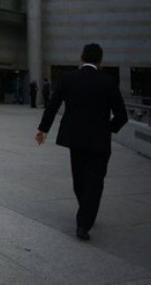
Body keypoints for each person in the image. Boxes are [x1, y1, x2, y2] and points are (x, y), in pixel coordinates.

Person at [34, 43, 127, 241]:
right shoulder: (108, 81)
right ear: (100, 60)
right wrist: (108, 128)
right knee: (95, 182)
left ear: (82, 57)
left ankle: (85, 213)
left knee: (79, 179)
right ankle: (84, 222)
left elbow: (53, 105)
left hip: (75, 139)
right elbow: (122, 116)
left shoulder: (69, 79)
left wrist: (43, 130)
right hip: (100, 141)